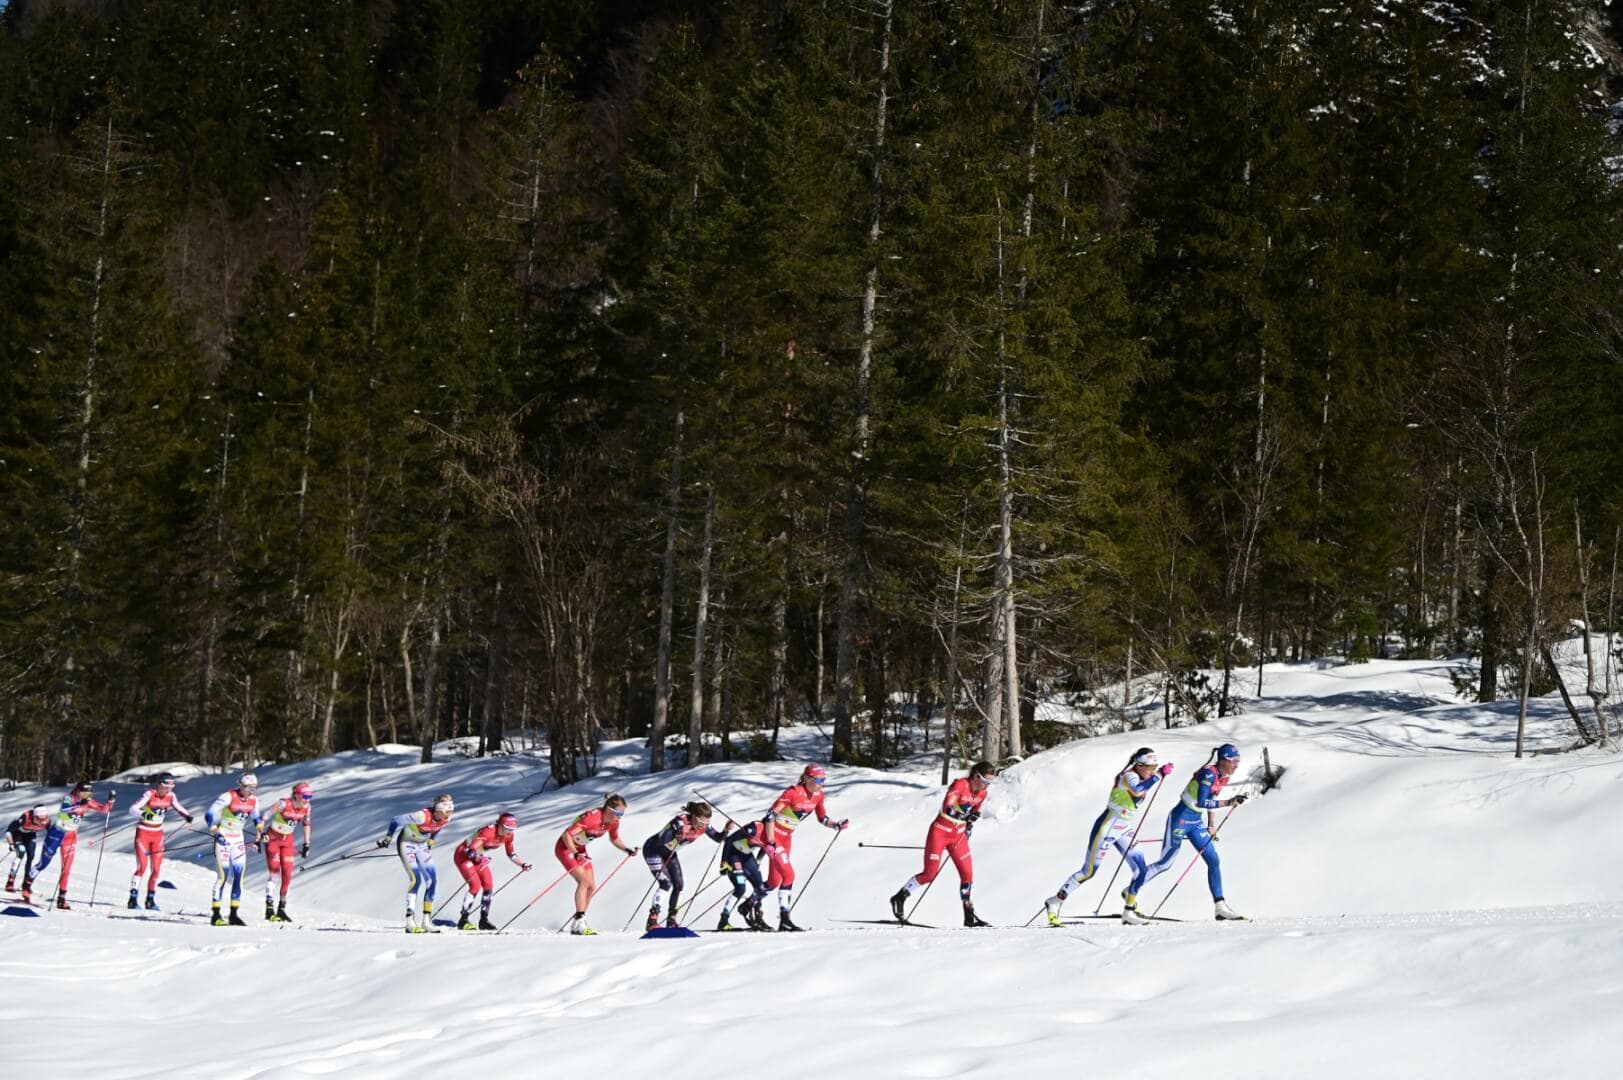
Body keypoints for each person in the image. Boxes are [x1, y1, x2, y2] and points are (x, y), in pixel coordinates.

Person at [1043, 748, 1174, 926]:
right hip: (1107, 827)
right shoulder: (1129, 775)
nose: (1151, 770)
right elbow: (1137, 790)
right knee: (1088, 872)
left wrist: (1156, 775)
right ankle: (1055, 901)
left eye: (1155, 767)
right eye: (1150, 768)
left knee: (1141, 870)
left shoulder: (1143, 775)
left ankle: (1129, 912)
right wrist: (1158, 775)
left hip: (1124, 827)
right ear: (1140, 765)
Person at [1122, 743, 1248, 923]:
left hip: (1196, 822)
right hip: (1179, 819)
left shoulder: (1223, 776)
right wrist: (1229, 802)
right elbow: (1202, 801)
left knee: (1213, 860)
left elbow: (1212, 798)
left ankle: (1220, 907)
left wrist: (1211, 824)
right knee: (1165, 864)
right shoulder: (1208, 774)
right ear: (1223, 760)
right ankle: (1130, 890)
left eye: (1238, 761)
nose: (1237, 765)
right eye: (1234, 761)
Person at [889, 761, 998, 928]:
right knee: (929, 874)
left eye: (990, 783)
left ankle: (969, 916)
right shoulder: (960, 784)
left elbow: (975, 811)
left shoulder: (982, 794)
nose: (987, 786)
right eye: (986, 782)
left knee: (967, 875)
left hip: (958, 837)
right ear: (976, 776)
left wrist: (972, 820)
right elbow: (948, 807)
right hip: (939, 833)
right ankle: (900, 897)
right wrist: (965, 816)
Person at [760, 764, 849, 931]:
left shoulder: (818, 796)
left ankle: (749, 904)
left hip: (786, 838)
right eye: (817, 780)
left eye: (823, 780)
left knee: (774, 881)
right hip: (773, 837)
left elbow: (822, 818)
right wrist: (770, 841)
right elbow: (770, 815)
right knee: (789, 875)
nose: (820, 784)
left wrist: (836, 825)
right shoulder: (793, 792)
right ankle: (785, 919)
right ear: (807, 778)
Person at [554, 794, 637, 936]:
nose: (620, 817)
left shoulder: (613, 822)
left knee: (591, 886)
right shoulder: (592, 818)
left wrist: (627, 849)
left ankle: (578, 922)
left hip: (580, 849)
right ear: (609, 810)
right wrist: (575, 853)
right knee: (583, 882)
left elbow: (614, 838)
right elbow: (566, 835)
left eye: (622, 814)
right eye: (618, 813)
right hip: (566, 848)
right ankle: (580, 921)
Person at [641, 801, 728, 931]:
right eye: (700, 822)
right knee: (666, 884)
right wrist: (678, 834)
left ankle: (671, 920)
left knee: (679, 885)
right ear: (693, 816)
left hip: (669, 852)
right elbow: (662, 840)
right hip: (653, 849)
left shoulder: (704, 826)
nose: (702, 826)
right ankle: (652, 920)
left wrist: (726, 830)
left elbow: (718, 838)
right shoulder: (680, 821)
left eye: (705, 824)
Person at [379, 793, 456, 933]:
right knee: (416, 879)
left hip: (421, 845)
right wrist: (388, 838)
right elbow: (395, 820)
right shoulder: (421, 816)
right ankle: (409, 921)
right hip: (406, 843)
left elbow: (437, 827)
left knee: (432, 881)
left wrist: (432, 840)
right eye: (446, 812)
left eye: (451, 811)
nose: (448, 815)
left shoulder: (447, 818)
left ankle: (426, 922)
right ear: (438, 810)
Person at [34, 782, 116, 909]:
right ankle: (27, 884)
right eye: (84, 793)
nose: (87, 796)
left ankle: (61, 899)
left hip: (70, 838)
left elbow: (105, 810)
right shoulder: (69, 798)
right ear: (78, 791)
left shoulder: (86, 800)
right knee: (43, 863)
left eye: (89, 793)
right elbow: (62, 812)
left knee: (66, 869)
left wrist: (110, 801)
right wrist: (78, 805)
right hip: (57, 834)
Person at [126, 773, 195, 911]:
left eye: (170, 787)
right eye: (165, 787)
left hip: (158, 835)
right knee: (142, 867)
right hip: (144, 833)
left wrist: (187, 816)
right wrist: (144, 814)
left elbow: (179, 807)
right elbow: (132, 809)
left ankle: (150, 900)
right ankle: (132, 899)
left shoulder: (171, 796)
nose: (167, 790)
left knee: (156, 870)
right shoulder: (149, 794)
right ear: (159, 785)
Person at [453, 812, 531, 931]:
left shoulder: (509, 836)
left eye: (512, 829)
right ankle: (463, 920)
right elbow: (470, 851)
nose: (509, 832)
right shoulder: (488, 832)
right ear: (499, 825)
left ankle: (483, 920)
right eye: (507, 828)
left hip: (478, 857)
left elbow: (510, 853)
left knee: (488, 885)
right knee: (475, 885)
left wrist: (522, 864)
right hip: (463, 855)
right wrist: (480, 858)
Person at [206, 773, 264, 926]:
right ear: (241, 786)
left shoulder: (253, 799)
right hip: (224, 837)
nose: (252, 791)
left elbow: (256, 818)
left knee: (239, 876)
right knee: (223, 876)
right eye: (249, 788)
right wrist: (215, 831)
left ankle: (233, 914)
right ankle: (216, 914)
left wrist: (259, 834)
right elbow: (209, 813)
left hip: (238, 839)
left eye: (254, 788)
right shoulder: (228, 796)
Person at [261, 781, 314, 922]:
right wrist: (260, 833)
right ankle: (269, 909)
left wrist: (306, 844)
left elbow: (307, 824)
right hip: (272, 839)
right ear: (296, 795)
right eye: (305, 797)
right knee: (275, 875)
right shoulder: (283, 804)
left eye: (309, 797)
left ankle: (281, 910)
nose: (307, 800)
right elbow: (264, 816)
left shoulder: (307, 807)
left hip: (287, 842)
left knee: (287, 875)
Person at [716, 818, 774, 932]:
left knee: (760, 887)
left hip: (747, 856)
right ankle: (723, 921)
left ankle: (758, 919)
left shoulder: (773, 833)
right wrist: (724, 863)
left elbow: (766, 847)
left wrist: (758, 860)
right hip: (734, 855)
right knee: (740, 888)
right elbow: (729, 840)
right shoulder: (754, 828)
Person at [4, 806, 53, 903]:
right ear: (34, 817)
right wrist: (11, 843)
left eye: (44, 818)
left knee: (31, 856)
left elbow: (51, 832)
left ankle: (25, 885)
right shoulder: (25, 817)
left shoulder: (47, 821)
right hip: (18, 835)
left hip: (30, 835)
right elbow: (8, 831)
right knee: (21, 852)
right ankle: (10, 881)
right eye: (40, 819)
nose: (43, 822)